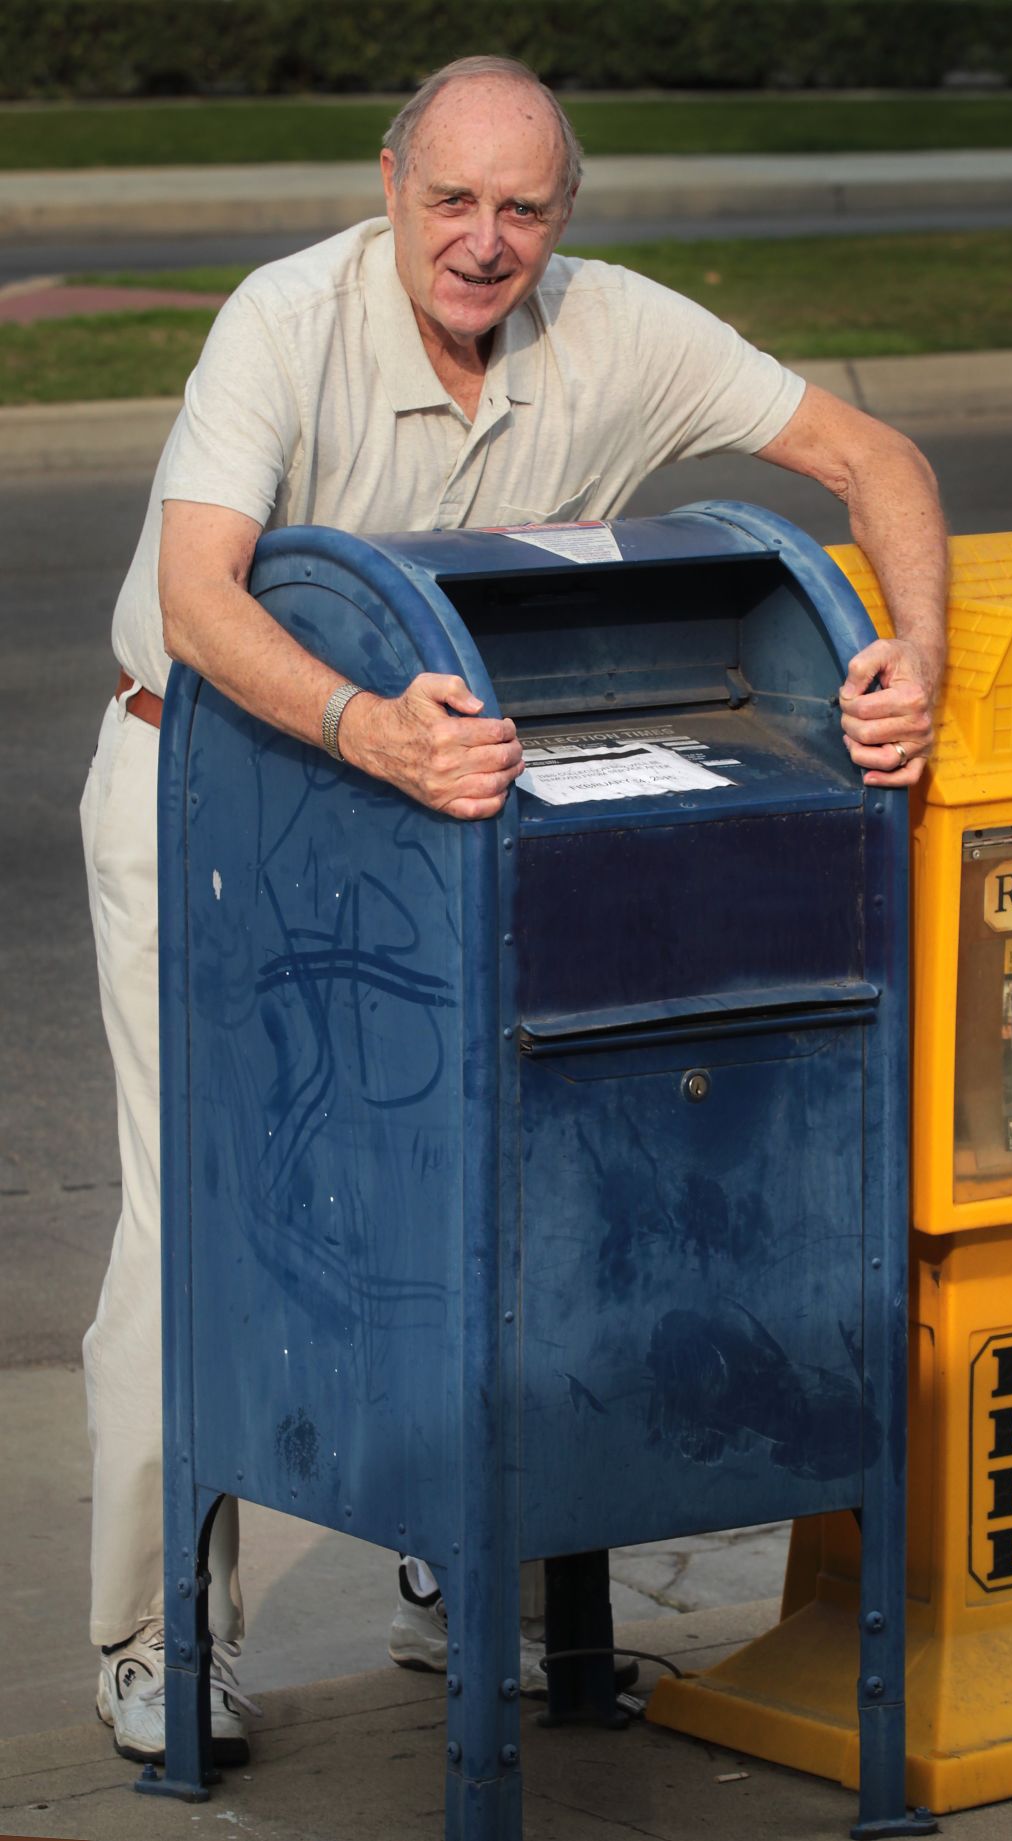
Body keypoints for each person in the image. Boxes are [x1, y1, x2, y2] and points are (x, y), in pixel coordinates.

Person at [82, 53, 947, 1766]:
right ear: (390, 180)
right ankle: (155, 1639)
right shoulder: (285, 315)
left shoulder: (611, 322)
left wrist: (905, 650)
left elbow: (872, 454)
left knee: (496, 1190)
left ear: (565, 218)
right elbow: (197, 589)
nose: (484, 242)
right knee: (212, 1209)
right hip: (224, 789)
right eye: (452, 200)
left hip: (457, 804)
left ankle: (452, 1561)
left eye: (523, 210)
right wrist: (354, 722)